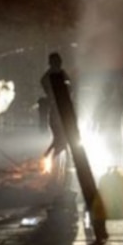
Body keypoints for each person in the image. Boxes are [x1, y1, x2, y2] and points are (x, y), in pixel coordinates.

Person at [40, 52, 72, 188]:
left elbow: (70, 88)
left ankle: (59, 173)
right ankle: (55, 174)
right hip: (57, 113)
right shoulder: (50, 76)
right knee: (61, 141)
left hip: (62, 112)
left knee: (62, 142)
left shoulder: (62, 74)